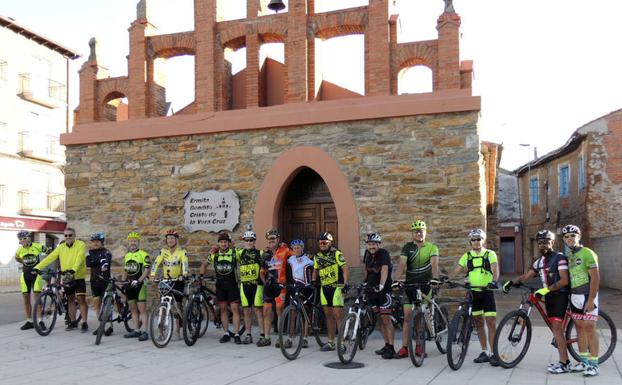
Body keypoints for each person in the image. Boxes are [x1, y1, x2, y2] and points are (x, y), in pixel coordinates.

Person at [503, 229, 570, 373]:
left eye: (546, 242)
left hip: (560, 295)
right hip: (550, 297)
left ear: (553, 242)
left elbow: (565, 280)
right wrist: (511, 282)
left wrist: (546, 289)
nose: (543, 245)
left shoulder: (560, 258)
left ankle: (564, 363)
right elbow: (526, 276)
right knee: (555, 329)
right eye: (540, 243)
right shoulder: (539, 262)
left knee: (557, 329)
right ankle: (561, 348)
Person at [447, 228, 500, 366]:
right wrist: (447, 279)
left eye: (479, 239)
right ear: (470, 241)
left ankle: (494, 353)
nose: (476, 242)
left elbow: (495, 269)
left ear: (483, 240)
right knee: (479, 323)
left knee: (491, 321)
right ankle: (485, 352)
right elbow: (456, 270)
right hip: (473, 292)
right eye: (473, 239)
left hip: (487, 291)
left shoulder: (490, 254)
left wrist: (494, 281)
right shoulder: (467, 256)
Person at [391, 220, 440, 359]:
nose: (419, 233)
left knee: (420, 318)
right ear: (412, 234)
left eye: (421, 231)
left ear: (425, 232)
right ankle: (405, 348)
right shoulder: (407, 247)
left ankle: (419, 346)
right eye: (416, 231)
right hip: (410, 286)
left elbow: (435, 264)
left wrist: (435, 278)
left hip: (425, 285)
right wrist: (395, 280)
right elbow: (401, 264)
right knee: (407, 317)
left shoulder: (432, 247)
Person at [562, 224, 600, 377]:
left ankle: (594, 364)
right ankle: (583, 361)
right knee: (579, 329)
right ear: (564, 239)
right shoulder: (569, 256)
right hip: (574, 297)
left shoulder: (588, 253)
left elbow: (596, 278)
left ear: (579, 236)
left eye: (573, 235)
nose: (570, 238)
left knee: (590, 328)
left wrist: (591, 299)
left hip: (587, 295)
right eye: (566, 236)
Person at [33, 227, 88, 332]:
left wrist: (73, 270)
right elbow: (50, 257)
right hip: (66, 277)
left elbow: (80, 258)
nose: (68, 237)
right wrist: (37, 267)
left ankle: (84, 322)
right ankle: (72, 322)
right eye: (66, 235)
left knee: (81, 299)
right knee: (71, 299)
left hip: (78, 276)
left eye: (70, 235)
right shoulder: (61, 247)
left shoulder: (81, 245)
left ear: (74, 236)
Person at [200, 232, 241, 344]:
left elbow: (245, 259)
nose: (223, 244)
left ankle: (237, 334)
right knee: (223, 309)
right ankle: (226, 333)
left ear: (228, 243)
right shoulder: (214, 254)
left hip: (232, 284)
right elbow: (204, 265)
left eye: (225, 242)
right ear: (218, 243)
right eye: (221, 242)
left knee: (235, 309)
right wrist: (201, 277)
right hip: (220, 285)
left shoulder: (234, 253)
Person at [312, 232, 349, 351]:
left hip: (337, 287)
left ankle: (342, 343)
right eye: (320, 243)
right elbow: (315, 269)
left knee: (338, 316)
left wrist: (345, 283)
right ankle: (331, 342)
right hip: (324, 288)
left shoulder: (337, 254)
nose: (322, 245)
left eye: (324, 242)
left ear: (330, 243)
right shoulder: (317, 256)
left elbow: (345, 269)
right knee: (328, 316)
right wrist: (313, 280)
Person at [151, 229, 188, 340]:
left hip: (178, 281)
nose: (170, 240)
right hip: (166, 281)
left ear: (176, 240)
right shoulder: (163, 252)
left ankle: (178, 331)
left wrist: (184, 274)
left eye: (172, 238)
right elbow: (156, 263)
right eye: (168, 239)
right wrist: (152, 274)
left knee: (178, 307)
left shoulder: (182, 252)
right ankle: (161, 332)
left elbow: (185, 264)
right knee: (163, 307)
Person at [258, 229, 292, 347]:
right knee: (266, 312)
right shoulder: (265, 254)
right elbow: (262, 272)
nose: (272, 241)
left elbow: (297, 256)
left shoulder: (285, 250)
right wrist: (264, 282)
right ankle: (267, 337)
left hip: (280, 286)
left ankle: (280, 338)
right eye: (270, 239)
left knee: (280, 312)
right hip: (268, 287)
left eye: (274, 239)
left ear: (278, 239)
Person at [362, 233, 395, 359]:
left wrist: (381, 285)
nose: (372, 246)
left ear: (378, 244)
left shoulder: (383, 254)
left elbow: (385, 269)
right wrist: (364, 282)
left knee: (386, 319)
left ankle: (391, 348)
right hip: (371, 292)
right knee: (379, 320)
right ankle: (386, 344)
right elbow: (366, 269)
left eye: (374, 244)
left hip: (383, 291)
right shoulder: (367, 255)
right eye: (370, 244)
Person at [235, 229, 265, 345]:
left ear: (254, 241)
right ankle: (248, 334)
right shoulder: (239, 253)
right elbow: (226, 251)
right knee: (246, 311)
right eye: (247, 240)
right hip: (244, 286)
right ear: (243, 241)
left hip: (257, 285)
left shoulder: (260, 253)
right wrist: (216, 250)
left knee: (258, 310)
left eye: (251, 240)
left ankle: (262, 335)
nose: (249, 242)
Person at [14, 230, 47, 330]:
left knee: (37, 297)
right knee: (26, 298)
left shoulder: (38, 246)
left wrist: (44, 266)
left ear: (29, 237)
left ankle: (41, 320)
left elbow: (48, 253)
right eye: (21, 239)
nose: (23, 240)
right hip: (25, 275)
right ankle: (29, 321)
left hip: (37, 275)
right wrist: (23, 262)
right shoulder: (19, 250)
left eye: (25, 238)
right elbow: (17, 258)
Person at [285, 239, 314, 348]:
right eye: (295, 248)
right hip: (295, 287)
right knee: (293, 313)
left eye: (299, 247)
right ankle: (290, 338)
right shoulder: (290, 259)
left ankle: (305, 338)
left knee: (306, 313)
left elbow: (315, 269)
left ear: (302, 248)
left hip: (306, 288)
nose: (297, 250)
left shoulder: (308, 260)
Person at [122, 231, 151, 341]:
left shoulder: (144, 254)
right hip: (129, 285)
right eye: (131, 241)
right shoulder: (127, 255)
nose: (132, 243)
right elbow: (125, 270)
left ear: (138, 242)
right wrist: (124, 282)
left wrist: (139, 281)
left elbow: (146, 270)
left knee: (142, 309)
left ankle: (145, 331)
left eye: (134, 241)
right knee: (133, 309)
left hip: (140, 285)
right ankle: (136, 330)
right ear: (128, 243)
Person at [86, 232, 113, 336]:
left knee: (106, 305)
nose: (95, 243)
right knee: (97, 305)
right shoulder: (90, 252)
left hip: (105, 281)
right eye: (93, 241)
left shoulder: (107, 252)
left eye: (97, 241)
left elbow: (107, 262)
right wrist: (100, 260)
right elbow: (88, 263)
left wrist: (98, 261)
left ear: (102, 242)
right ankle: (100, 326)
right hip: (94, 281)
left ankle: (110, 326)